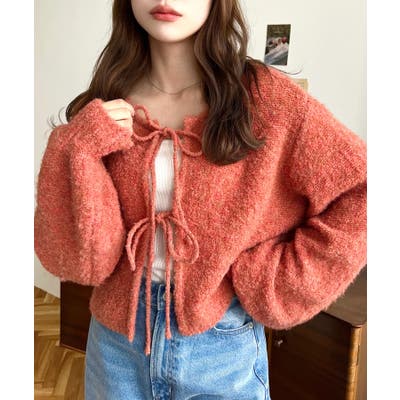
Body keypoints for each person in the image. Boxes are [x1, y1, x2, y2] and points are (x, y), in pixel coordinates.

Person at [34, 1, 367, 399]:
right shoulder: (107, 100)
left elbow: (363, 189)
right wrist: (76, 149)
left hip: (221, 345)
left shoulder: (267, 100)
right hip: (116, 344)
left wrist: (278, 280)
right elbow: (77, 260)